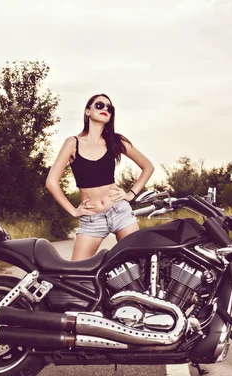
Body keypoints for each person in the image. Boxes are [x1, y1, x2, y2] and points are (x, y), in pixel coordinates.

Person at [46, 94, 155, 260]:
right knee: (76, 273)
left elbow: (148, 166)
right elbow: (51, 182)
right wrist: (73, 211)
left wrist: (130, 194)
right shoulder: (72, 143)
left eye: (109, 108)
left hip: (120, 212)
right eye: (99, 105)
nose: (105, 109)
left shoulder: (116, 141)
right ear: (87, 111)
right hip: (92, 219)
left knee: (137, 266)